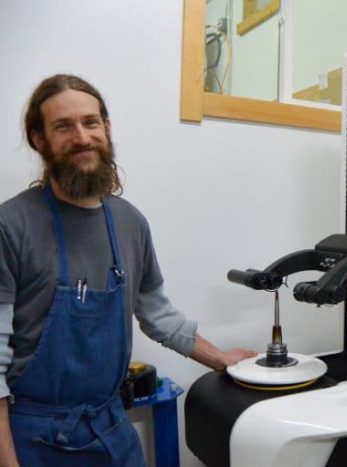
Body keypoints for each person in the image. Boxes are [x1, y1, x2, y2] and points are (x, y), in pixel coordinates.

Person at [0, 74, 257, 467]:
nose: (82, 137)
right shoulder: (12, 224)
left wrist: (221, 358)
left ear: (106, 127)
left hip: (112, 428)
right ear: (39, 140)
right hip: (36, 438)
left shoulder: (130, 222)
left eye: (90, 122)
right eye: (63, 126)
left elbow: (157, 315)